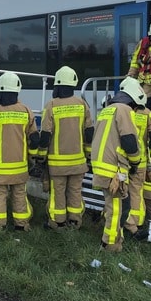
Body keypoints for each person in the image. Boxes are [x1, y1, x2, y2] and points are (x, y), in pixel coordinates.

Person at [0, 72, 40, 232]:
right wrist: (32, 158)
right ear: (17, 90)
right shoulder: (26, 110)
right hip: (20, 167)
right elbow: (34, 138)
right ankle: (22, 225)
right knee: (19, 196)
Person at [38, 66, 94, 230]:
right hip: (78, 162)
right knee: (75, 191)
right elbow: (89, 132)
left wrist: (41, 156)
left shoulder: (51, 106)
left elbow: (45, 135)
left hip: (57, 164)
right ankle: (75, 222)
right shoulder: (82, 104)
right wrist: (88, 155)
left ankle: (57, 223)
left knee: (58, 193)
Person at [90, 87, 141, 252]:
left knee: (116, 205)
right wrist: (136, 161)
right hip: (114, 169)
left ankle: (116, 238)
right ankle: (109, 244)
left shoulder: (107, 110)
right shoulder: (124, 110)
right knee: (116, 208)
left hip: (101, 165)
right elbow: (129, 140)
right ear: (133, 102)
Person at [117, 77, 151, 239]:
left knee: (119, 193)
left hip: (121, 162)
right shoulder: (148, 115)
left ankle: (120, 223)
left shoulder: (119, 110)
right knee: (136, 193)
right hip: (141, 163)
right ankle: (136, 225)